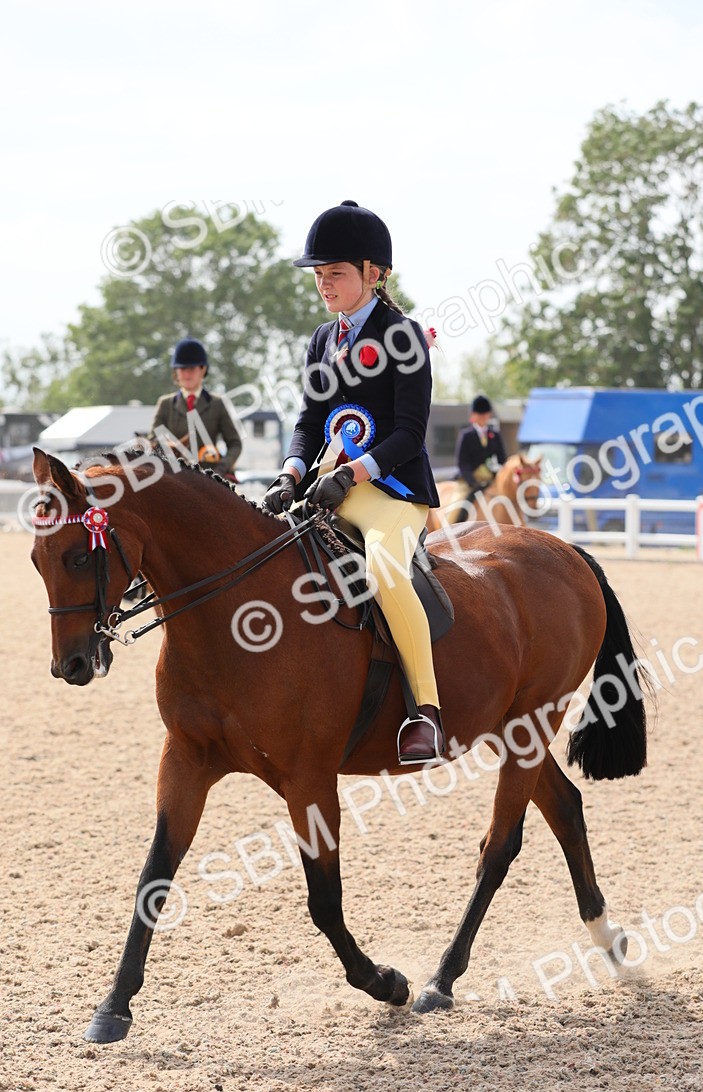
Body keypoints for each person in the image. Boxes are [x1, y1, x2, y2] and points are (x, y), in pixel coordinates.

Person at [261, 200, 444, 766]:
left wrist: (354, 473)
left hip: (392, 493)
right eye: (319, 275)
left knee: (388, 571)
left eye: (335, 273)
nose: (324, 284)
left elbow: (411, 433)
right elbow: (309, 422)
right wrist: (291, 472)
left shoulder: (404, 336)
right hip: (324, 487)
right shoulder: (321, 341)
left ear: (374, 273)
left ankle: (426, 712)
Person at [149, 338, 242, 480]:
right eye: (182, 369)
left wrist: (221, 468)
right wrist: (172, 446)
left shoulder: (217, 403)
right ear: (176, 371)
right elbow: (153, 440)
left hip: (209, 477)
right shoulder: (165, 403)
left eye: (191, 369)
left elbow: (235, 443)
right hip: (175, 476)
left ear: (203, 369)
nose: (187, 374)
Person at [450, 394, 508, 522]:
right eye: (480, 414)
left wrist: (499, 474)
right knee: (460, 504)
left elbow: (502, 459)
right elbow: (462, 463)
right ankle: (454, 526)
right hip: (469, 480)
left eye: (485, 414)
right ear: (473, 415)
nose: (483, 417)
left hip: (489, 479)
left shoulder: (495, 435)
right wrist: (472, 481)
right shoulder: (466, 435)